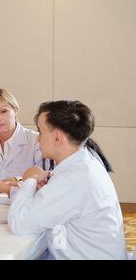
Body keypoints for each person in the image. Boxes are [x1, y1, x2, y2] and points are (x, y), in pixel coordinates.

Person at [8, 100, 127, 259]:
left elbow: (18, 223)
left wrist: (30, 179)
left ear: (57, 138)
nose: (37, 139)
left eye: (41, 132)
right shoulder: (85, 163)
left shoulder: (74, 179)